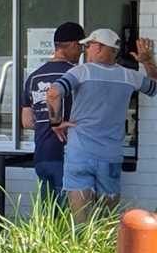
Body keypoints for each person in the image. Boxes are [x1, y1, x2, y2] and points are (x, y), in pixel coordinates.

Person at [47, 30, 157, 223]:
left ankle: (80, 251)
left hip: (79, 154)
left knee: (79, 223)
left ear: (99, 47)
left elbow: (53, 94)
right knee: (106, 222)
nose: (85, 50)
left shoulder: (81, 71)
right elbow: (155, 87)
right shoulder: (129, 76)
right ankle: (102, 252)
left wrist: (56, 123)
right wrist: (147, 61)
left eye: (88, 45)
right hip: (110, 156)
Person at [20, 22, 85, 203]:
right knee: (68, 216)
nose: (81, 52)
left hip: (41, 155)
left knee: (48, 216)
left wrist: (45, 121)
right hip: (66, 154)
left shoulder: (33, 77)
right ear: (73, 44)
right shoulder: (75, 75)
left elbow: (26, 122)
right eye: (81, 47)